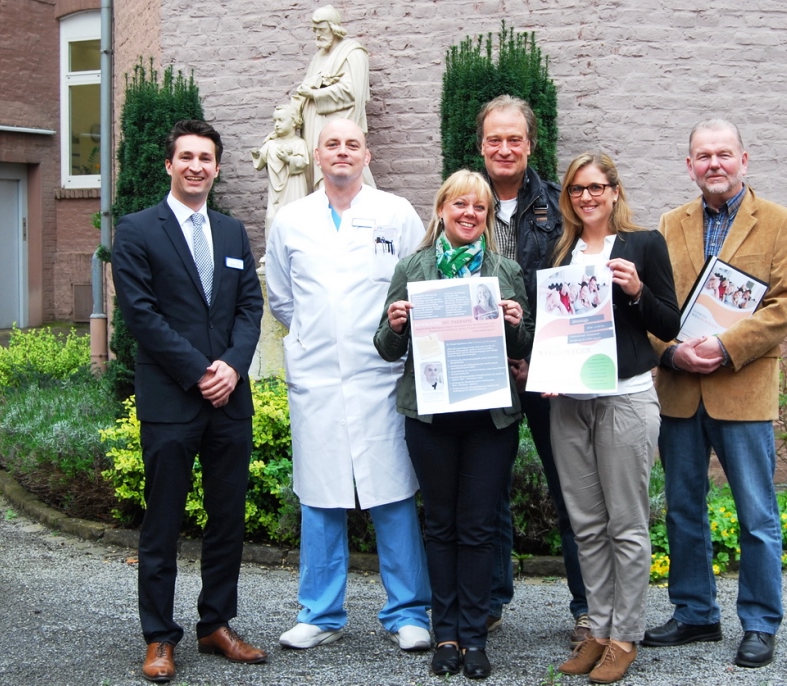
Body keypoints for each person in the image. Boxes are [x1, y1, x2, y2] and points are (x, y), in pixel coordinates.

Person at [641, 119, 787, 669]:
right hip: (681, 390)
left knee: (756, 514)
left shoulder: (779, 223)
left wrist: (725, 345)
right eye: (703, 156)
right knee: (684, 508)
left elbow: (786, 305)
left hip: (742, 387)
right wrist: (670, 352)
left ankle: (759, 623)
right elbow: (652, 304)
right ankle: (695, 613)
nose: (714, 164)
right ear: (689, 165)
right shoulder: (669, 224)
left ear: (744, 159)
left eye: (724, 154)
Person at [264, 118, 431, 653]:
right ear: (317, 155)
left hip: (380, 378)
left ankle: (407, 611)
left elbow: (416, 281)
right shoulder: (291, 220)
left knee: (393, 494)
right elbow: (284, 299)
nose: (342, 152)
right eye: (332, 144)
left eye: (351, 144)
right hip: (316, 380)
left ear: (366, 154)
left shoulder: (396, 213)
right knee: (319, 496)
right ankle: (321, 612)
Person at [112, 119, 267, 682]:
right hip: (173, 400)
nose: (197, 166)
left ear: (218, 167)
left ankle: (215, 625)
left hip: (229, 399)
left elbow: (250, 306)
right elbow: (141, 315)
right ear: (169, 165)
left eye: (206, 158)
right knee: (163, 521)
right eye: (187, 157)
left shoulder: (231, 233)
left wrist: (232, 365)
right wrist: (200, 370)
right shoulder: (137, 230)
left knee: (226, 519)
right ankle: (159, 637)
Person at [374, 169, 534, 680]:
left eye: (479, 208)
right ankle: (444, 632)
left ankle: (473, 634)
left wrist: (515, 325)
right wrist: (396, 325)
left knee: (480, 526)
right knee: (440, 524)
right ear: (442, 209)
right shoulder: (413, 268)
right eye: (460, 205)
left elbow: (526, 347)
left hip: (490, 418)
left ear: (487, 218)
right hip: (431, 415)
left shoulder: (504, 270)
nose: (469, 214)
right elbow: (384, 347)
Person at [549, 153, 680, 684]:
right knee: (586, 523)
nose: (587, 197)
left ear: (615, 191)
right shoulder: (561, 251)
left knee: (626, 524)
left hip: (625, 396)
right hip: (569, 402)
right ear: (569, 197)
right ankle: (597, 632)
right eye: (578, 189)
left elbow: (669, 323)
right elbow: (552, 325)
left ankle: (625, 636)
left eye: (596, 187)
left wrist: (635, 290)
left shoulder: (643, 245)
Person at [477, 94, 589, 646]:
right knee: (487, 491)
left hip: (545, 372)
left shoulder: (557, 205)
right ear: (481, 145)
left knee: (570, 487)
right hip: (481, 373)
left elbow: (570, 289)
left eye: (514, 139)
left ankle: (587, 608)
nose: (504, 148)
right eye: (494, 139)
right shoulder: (462, 200)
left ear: (530, 144)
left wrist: (539, 355)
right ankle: (490, 601)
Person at [292, 4, 373, 190]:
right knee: (319, 173)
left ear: (333, 28)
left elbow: (353, 93)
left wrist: (314, 94)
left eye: (321, 30)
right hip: (313, 125)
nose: (317, 35)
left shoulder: (353, 53)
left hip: (336, 124)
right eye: (315, 31)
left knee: (342, 172)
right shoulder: (319, 56)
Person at [250, 102, 309, 242]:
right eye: (274, 121)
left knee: (295, 216)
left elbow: (304, 162)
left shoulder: (299, 143)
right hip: (276, 192)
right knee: (272, 217)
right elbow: (259, 163)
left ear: (294, 122)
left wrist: (288, 159)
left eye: (281, 120)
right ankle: (271, 251)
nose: (276, 124)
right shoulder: (271, 144)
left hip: (294, 187)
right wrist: (257, 153)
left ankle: (297, 246)